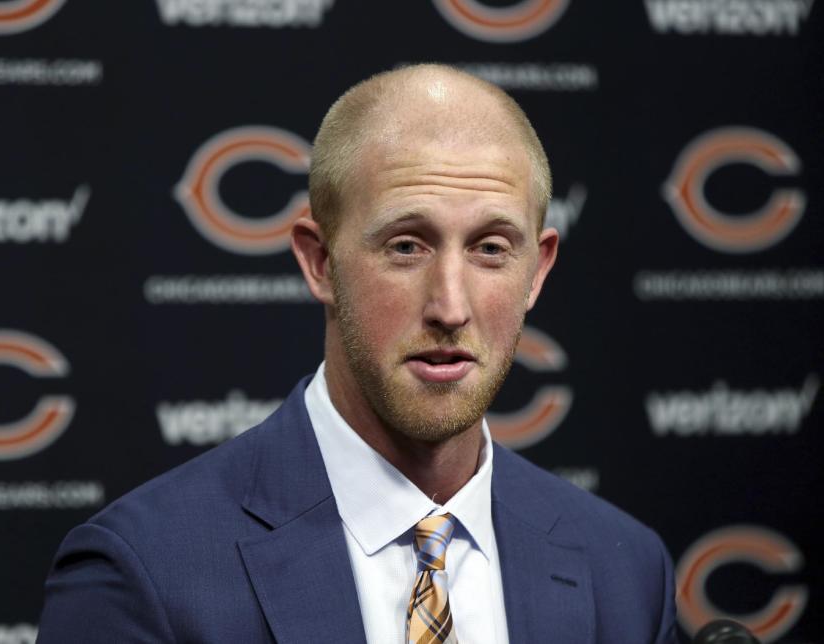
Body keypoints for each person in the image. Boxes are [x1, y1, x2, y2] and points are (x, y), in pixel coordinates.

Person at [38, 64, 678, 643]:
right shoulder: (144, 572)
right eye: (406, 246)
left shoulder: (626, 573)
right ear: (319, 262)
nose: (450, 307)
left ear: (537, 272)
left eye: (490, 248)